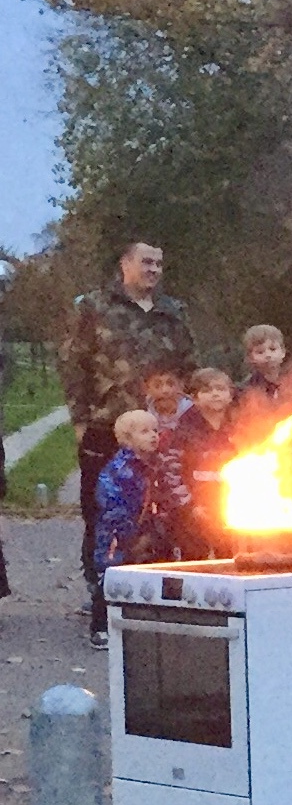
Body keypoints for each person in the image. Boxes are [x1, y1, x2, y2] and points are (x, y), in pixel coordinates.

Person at [61, 239, 195, 641]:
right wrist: (80, 420)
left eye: (158, 263)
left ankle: (149, 586)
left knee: (157, 509)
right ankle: (99, 587)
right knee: (101, 510)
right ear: (125, 265)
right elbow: (72, 363)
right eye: (145, 262)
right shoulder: (94, 307)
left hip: (161, 429)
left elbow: (189, 364)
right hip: (107, 424)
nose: (153, 269)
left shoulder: (174, 313)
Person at [164, 368, 241, 559]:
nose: (215, 393)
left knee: (229, 560)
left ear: (230, 395)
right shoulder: (185, 430)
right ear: (194, 397)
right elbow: (171, 472)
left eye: (220, 389)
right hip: (193, 512)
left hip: (229, 509)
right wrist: (190, 506)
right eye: (206, 390)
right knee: (194, 561)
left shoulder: (238, 425)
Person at [93, 409, 170, 576]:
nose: (153, 435)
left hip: (148, 533)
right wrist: (132, 539)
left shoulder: (156, 464)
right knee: (115, 574)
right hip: (119, 537)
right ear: (127, 439)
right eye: (144, 432)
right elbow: (115, 510)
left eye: (155, 431)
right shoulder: (121, 471)